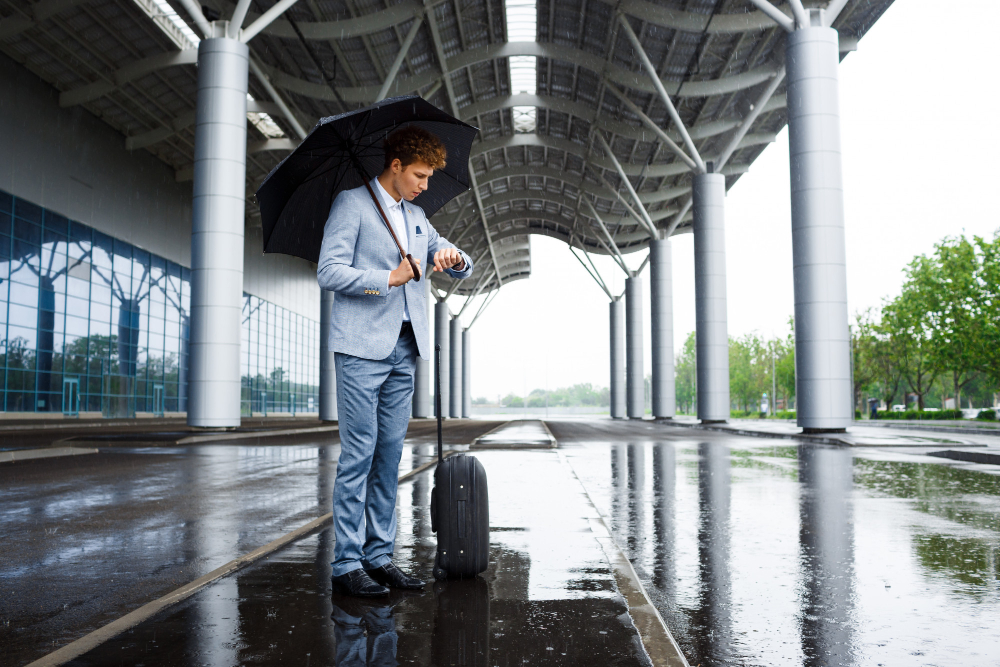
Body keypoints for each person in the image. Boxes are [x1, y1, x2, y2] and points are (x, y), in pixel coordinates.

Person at [317, 126, 474, 597]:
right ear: (397, 166)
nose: (425, 185)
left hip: (406, 348)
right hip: (362, 347)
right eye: (420, 176)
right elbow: (329, 270)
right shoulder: (351, 204)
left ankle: (378, 556)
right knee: (359, 455)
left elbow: (460, 259)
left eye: (429, 177)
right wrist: (388, 277)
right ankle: (347, 563)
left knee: (389, 457)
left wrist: (451, 257)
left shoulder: (418, 217)